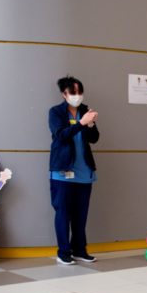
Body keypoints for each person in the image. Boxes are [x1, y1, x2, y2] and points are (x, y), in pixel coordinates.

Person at [49, 76, 99, 265]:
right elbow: (60, 135)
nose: (77, 96)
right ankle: (63, 252)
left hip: (84, 171)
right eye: (73, 92)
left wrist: (91, 123)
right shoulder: (56, 112)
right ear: (64, 94)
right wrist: (81, 123)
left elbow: (94, 138)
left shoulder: (85, 110)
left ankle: (79, 250)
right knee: (63, 212)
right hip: (62, 171)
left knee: (81, 214)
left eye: (80, 92)